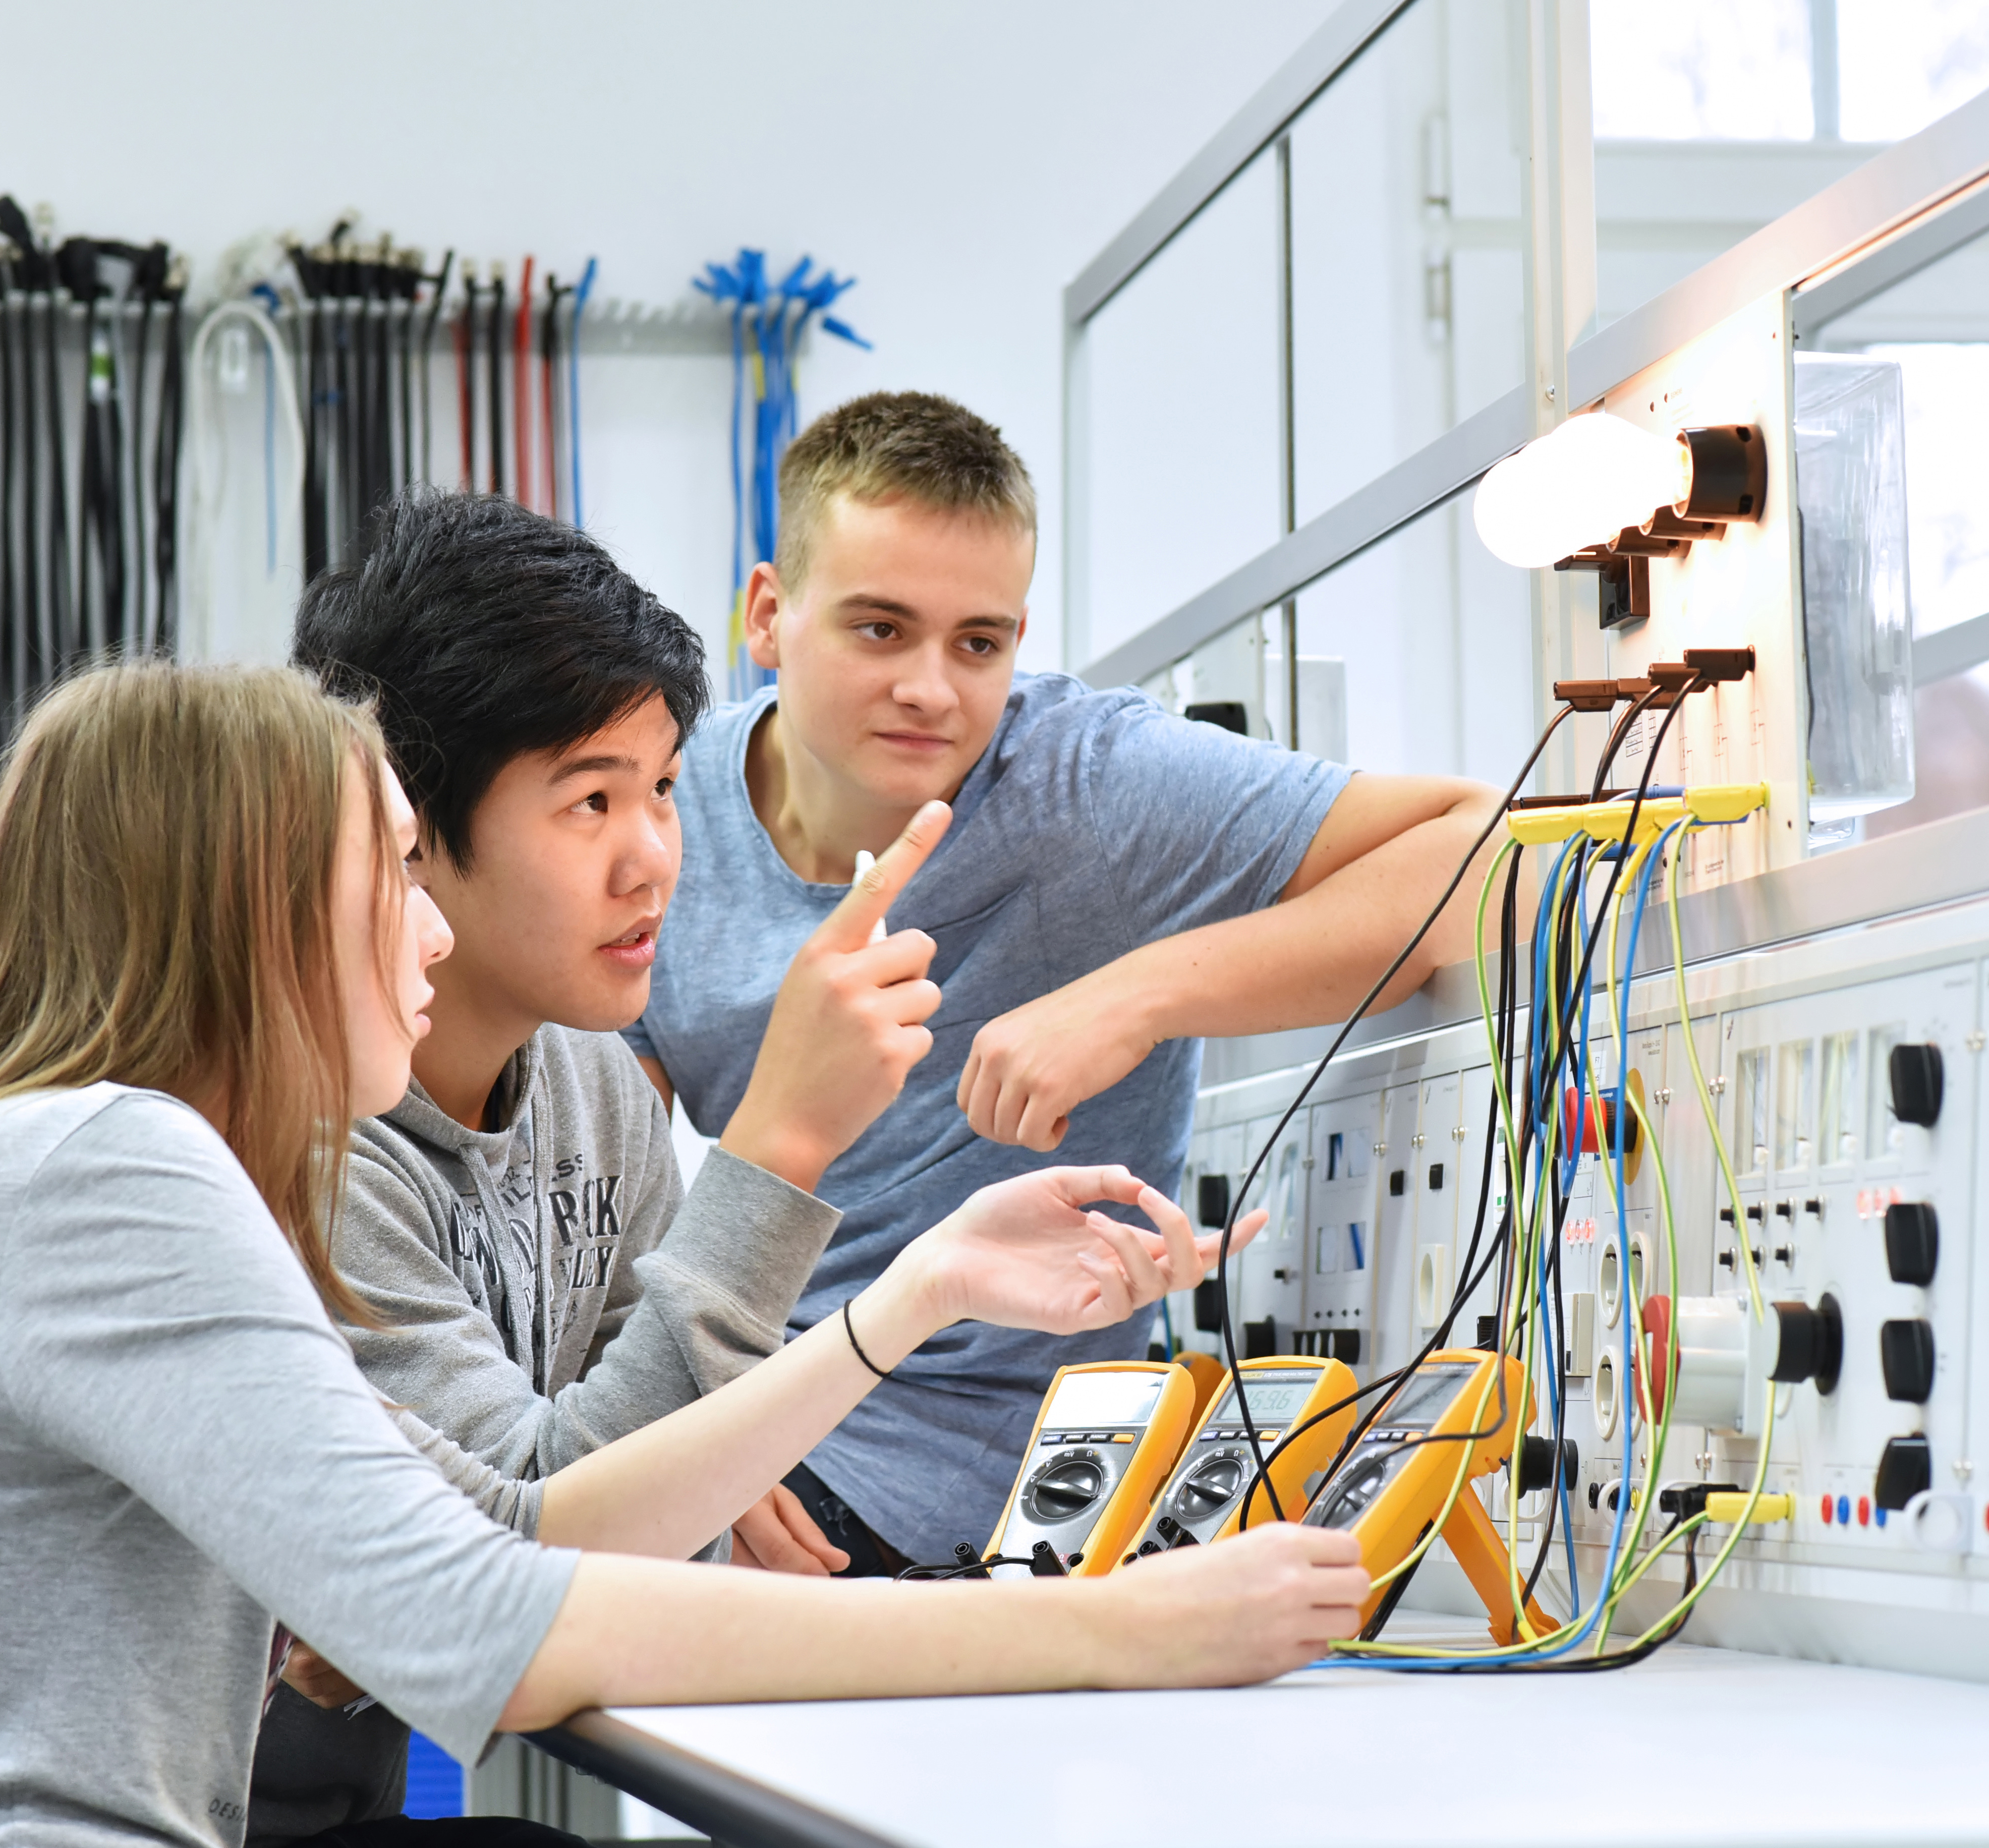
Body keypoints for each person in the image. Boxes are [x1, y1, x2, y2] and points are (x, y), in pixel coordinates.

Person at [0, 662, 1365, 1848]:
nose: (426, 925)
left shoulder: (26, 1168)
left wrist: (913, 1299)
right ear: (252, 911)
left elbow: (516, 1525)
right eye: (391, 866)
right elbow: (496, 1618)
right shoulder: (108, 1168)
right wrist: (1110, 1633)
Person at [628, 391, 1504, 1571]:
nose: (933, 689)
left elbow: (1493, 849)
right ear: (770, 616)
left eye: (978, 643)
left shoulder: (1090, 785)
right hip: (740, 1418)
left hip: (968, 1480)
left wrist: (1136, 994)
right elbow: (601, 1182)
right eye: (880, 630)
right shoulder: (666, 829)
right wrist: (713, 1416)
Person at [259, 493, 987, 1841]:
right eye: (590, 798)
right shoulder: (299, 1137)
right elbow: (536, 1560)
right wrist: (782, 1140)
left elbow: (646, 1505)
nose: (653, 854)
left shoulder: (595, 1088)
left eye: (660, 788)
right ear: (403, 825)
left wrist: (696, 1462)